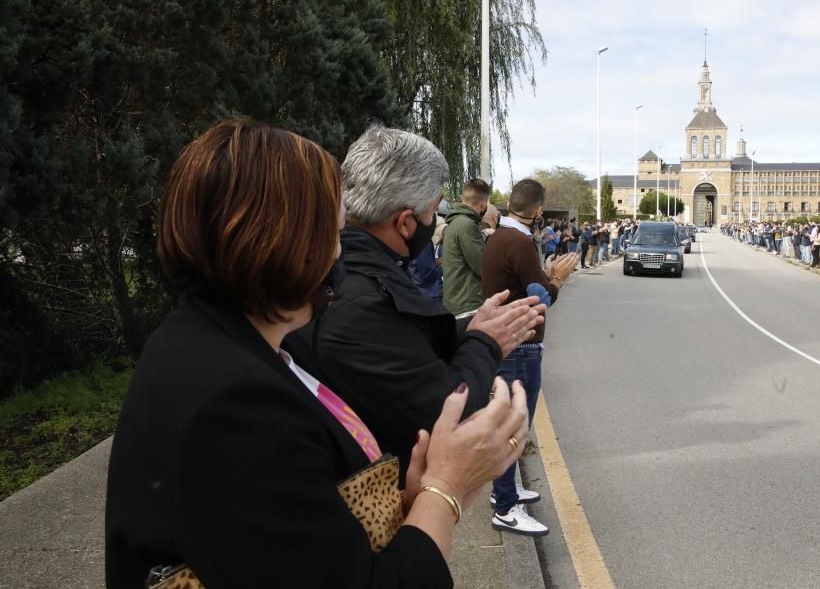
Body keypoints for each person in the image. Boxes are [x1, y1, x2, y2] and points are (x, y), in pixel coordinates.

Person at [105, 119, 529, 588]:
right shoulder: (234, 404)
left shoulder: (216, 341)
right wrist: (445, 488)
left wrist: (405, 505)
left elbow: (292, 537)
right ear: (288, 241)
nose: (339, 249)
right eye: (333, 227)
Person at [305, 126, 544, 476]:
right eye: (432, 213)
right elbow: (449, 411)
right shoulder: (361, 302)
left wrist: (468, 328)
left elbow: (406, 345)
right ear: (405, 223)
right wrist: (486, 343)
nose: (436, 222)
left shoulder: (356, 272)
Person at [481, 179, 579, 537]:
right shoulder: (520, 243)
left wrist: (546, 273)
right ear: (538, 210)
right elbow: (541, 299)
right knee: (514, 427)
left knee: (509, 423)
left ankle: (505, 490)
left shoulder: (498, 238)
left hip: (507, 343)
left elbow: (526, 284)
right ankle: (505, 506)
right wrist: (558, 279)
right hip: (520, 347)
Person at [443, 178, 491, 316]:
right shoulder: (466, 225)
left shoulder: (456, 222)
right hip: (467, 305)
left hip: (457, 301)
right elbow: (482, 266)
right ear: (483, 203)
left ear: (462, 198)